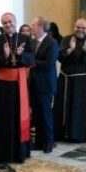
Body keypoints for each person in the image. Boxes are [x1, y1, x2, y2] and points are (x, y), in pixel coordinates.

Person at [0, 12, 34, 163]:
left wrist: (20, 55)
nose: (8, 25)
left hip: (19, 85)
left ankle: (20, 153)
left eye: (10, 22)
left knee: (19, 117)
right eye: (5, 23)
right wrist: (5, 56)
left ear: (15, 22)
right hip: (2, 87)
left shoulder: (25, 39)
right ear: (2, 25)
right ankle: (3, 154)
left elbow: (32, 60)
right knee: (4, 119)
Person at [53, 18, 86, 143]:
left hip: (81, 81)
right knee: (61, 106)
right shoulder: (67, 39)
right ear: (75, 27)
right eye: (78, 27)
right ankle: (59, 133)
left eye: (83, 28)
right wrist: (71, 49)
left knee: (78, 107)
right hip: (65, 79)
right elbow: (59, 56)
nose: (80, 30)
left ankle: (76, 135)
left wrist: (84, 51)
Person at [29, 17, 58, 153]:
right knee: (37, 115)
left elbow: (49, 63)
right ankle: (39, 142)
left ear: (40, 26)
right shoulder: (33, 42)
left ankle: (48, 142)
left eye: (33, 25)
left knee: (46, 114)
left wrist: (32, 61)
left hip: (46, 84)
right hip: (34, 83)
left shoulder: (52, 42)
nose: (31, 28)